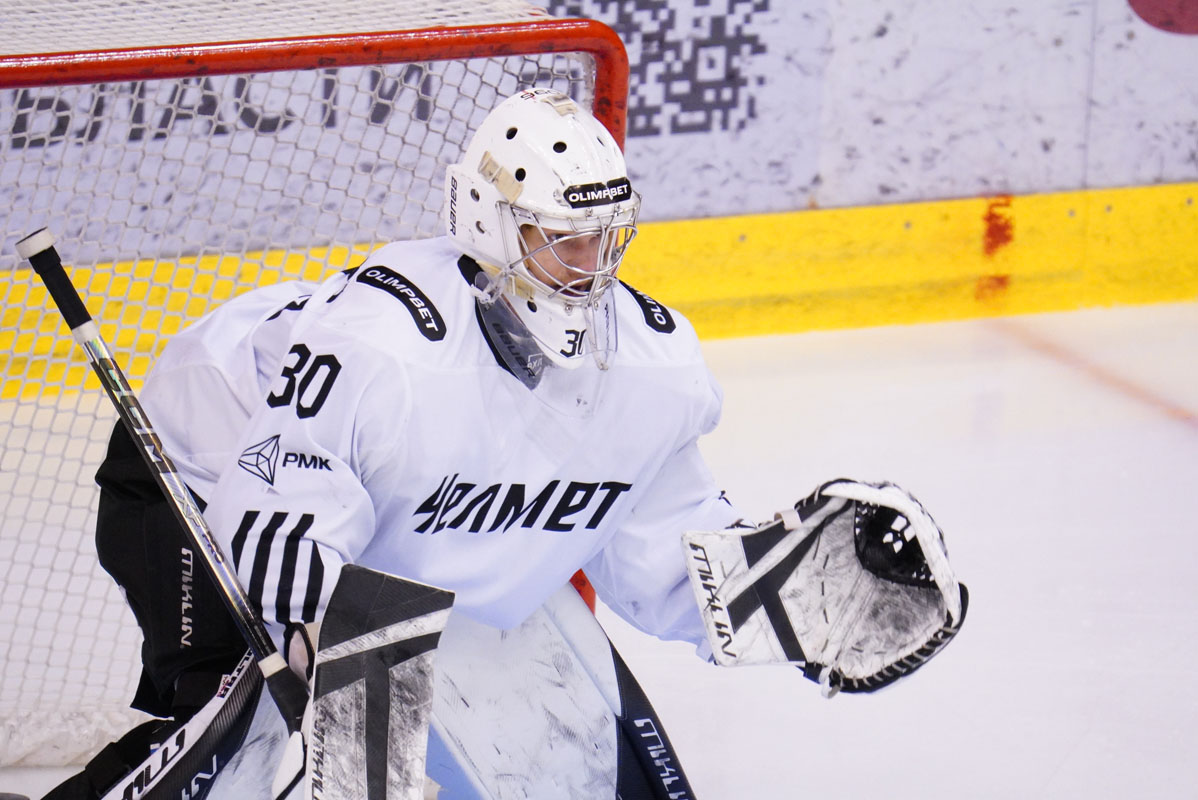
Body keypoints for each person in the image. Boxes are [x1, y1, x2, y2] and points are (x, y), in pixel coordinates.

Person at [47, 87, 964, 799]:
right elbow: (278, 528)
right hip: (203, 472)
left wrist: (792, 597)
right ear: (491, 225)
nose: (589, 269)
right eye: (560, 240)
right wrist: (339, 689)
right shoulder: (383, 348)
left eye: (604, 239)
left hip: (377, 534)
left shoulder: (651, 367)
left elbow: (659, 555)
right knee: (241, 739)